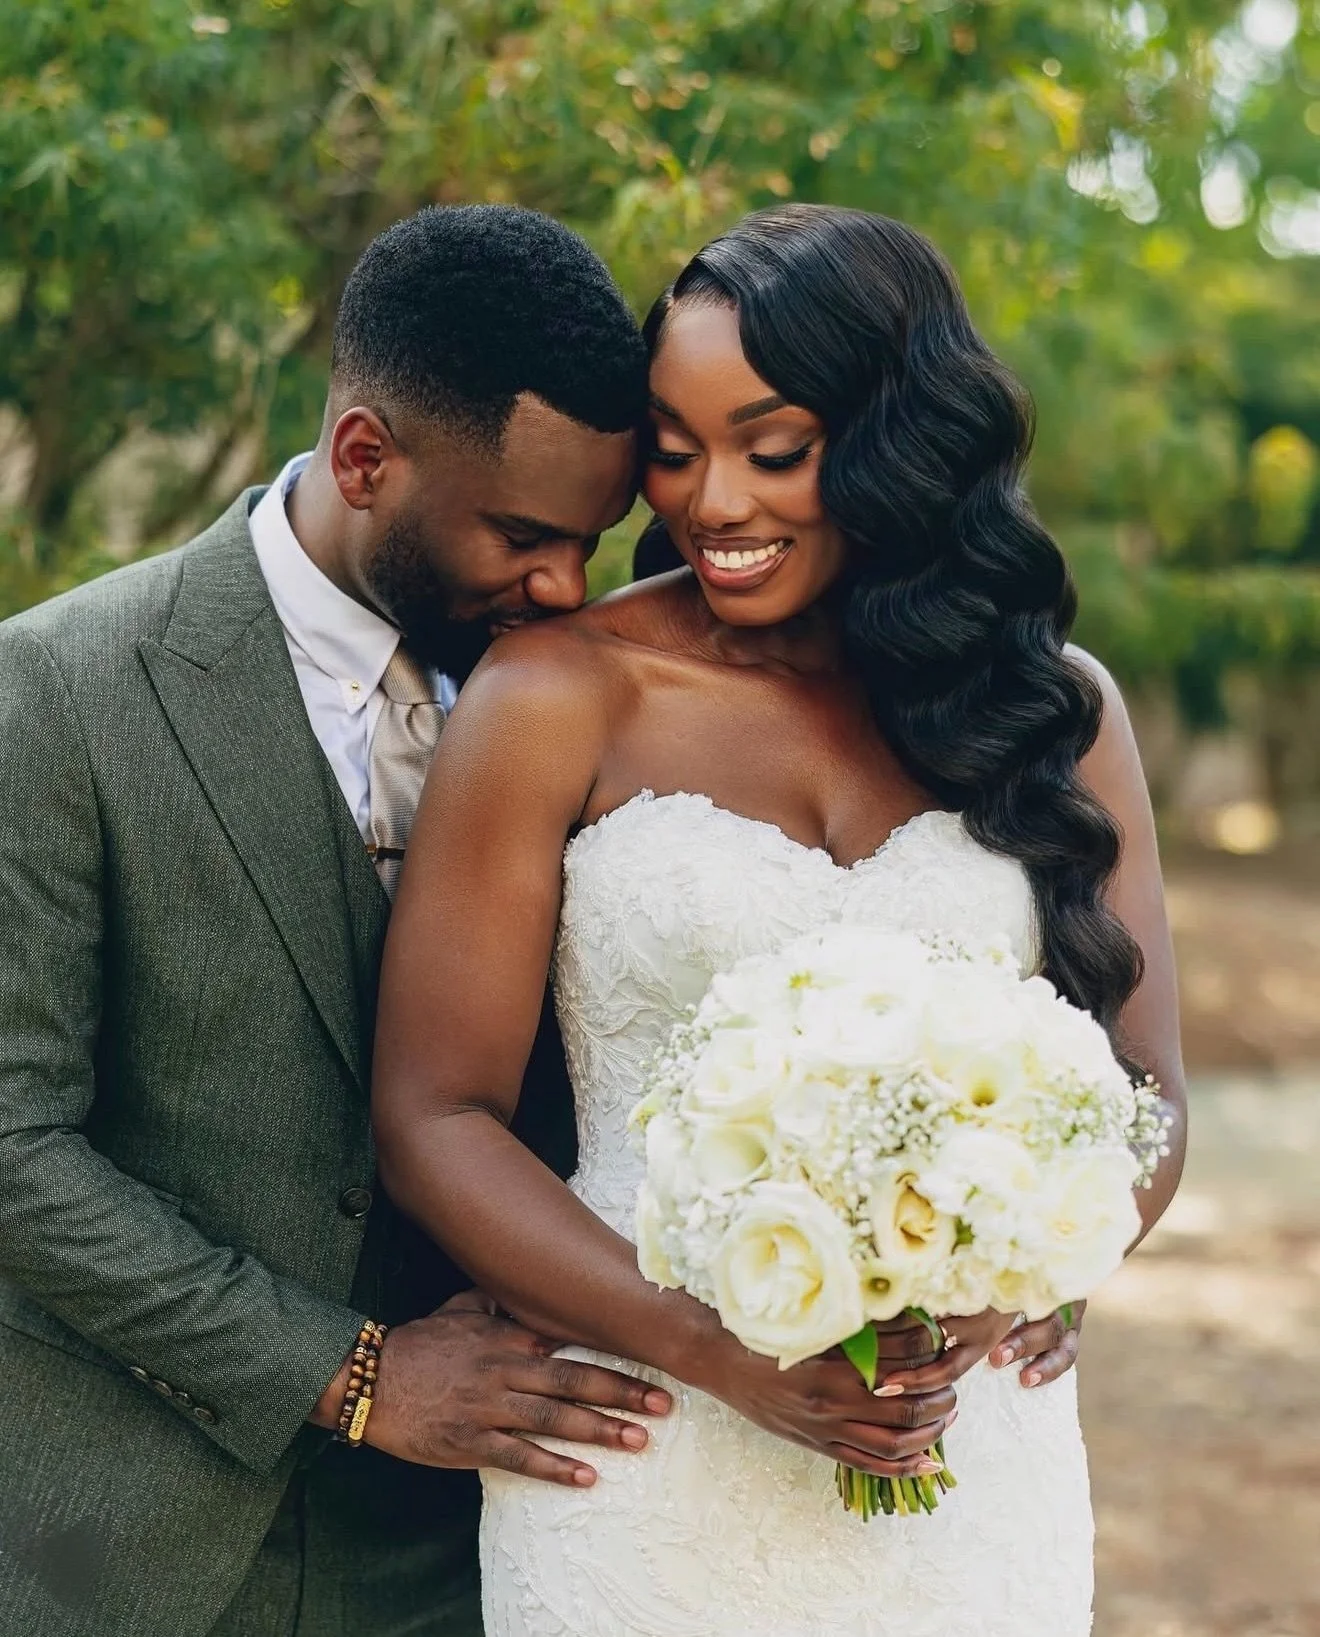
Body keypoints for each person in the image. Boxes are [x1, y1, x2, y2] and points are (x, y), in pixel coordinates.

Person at [371, 203, 1188, 1636]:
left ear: (892, 440)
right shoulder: (558, 697)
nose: (714, 502)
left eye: (774, 447)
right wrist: (722, 1353)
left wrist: (1029, 1267)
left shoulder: (1056, 711)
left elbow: (1148, 1104)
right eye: (675, 450)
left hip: (963, 1455)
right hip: (645, 1453)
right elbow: (437, 1117)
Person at [0, 203, 669, 1637]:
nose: (565, 588)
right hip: (113, 1550)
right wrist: (348, 1372)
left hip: (481, 1550)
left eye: (593, 544)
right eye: (524, 536)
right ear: (366, 457)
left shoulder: (601, 709)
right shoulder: (55, 692)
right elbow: (10, 1147)